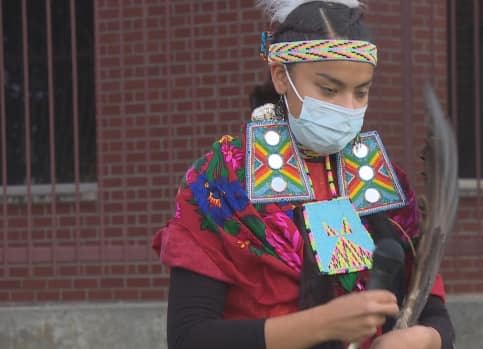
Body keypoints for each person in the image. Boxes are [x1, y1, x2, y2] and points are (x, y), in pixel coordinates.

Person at [152, 1, 455, 348]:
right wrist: (320, 325)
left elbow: (435, 317)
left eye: (361, 92)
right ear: (282, 76)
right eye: (329, 89)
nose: (348, 108)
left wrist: (422, 339)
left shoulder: (384, 181)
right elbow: (188, 338)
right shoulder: (221, 183)